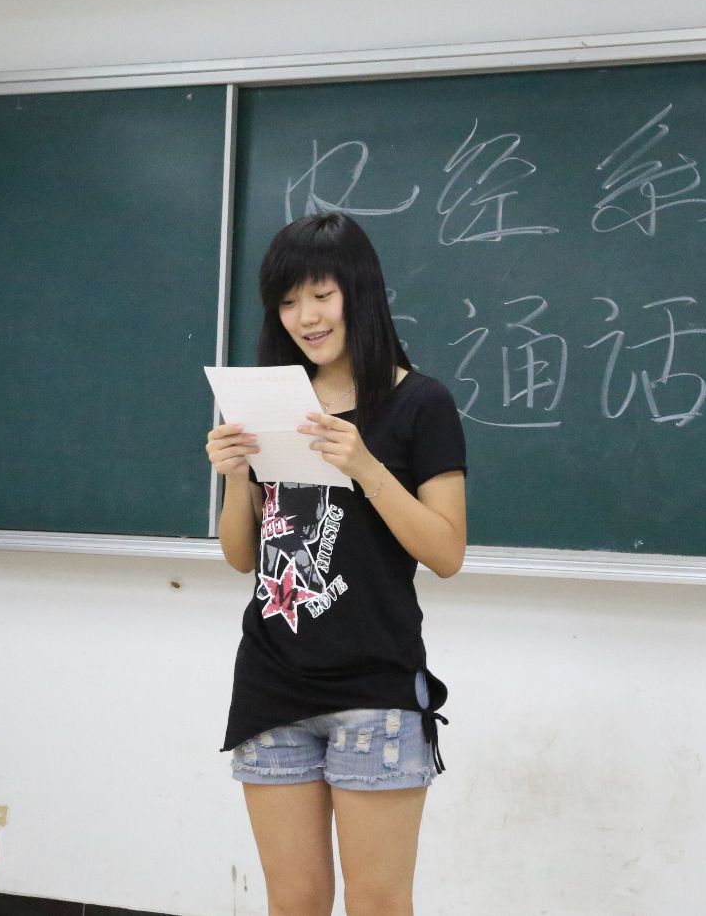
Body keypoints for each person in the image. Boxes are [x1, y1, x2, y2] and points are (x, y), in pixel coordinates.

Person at [205, 212, 468, 916]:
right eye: (288, 301)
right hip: (271, 683)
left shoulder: (421, 403)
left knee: (377, 902)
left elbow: (446, 551)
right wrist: (237, 476)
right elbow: (242, 556)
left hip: (376, 688)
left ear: (360, 292)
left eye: (321, 295)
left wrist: (366, 466)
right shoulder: (270, 401)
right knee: (294, 901)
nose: (305, 317)